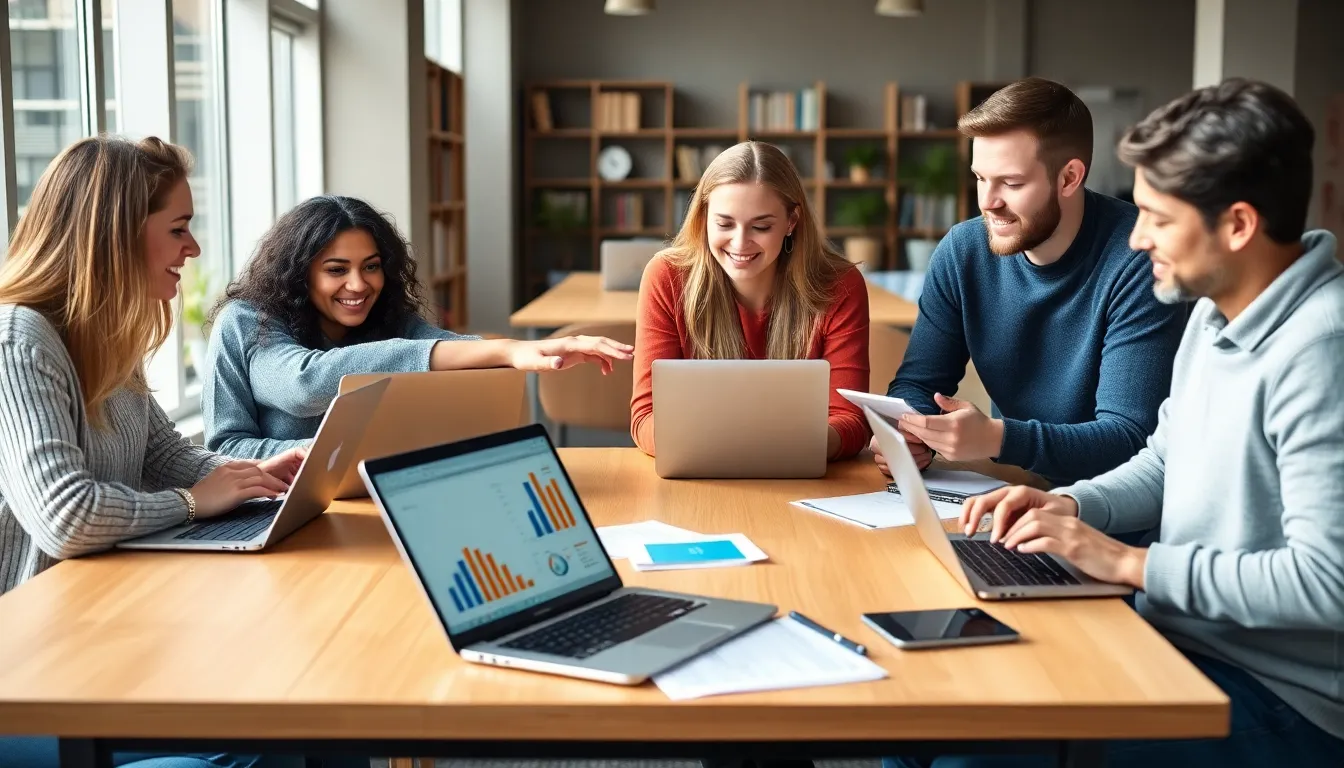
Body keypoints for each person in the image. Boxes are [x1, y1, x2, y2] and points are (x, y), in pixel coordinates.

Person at [897, 79, 1344, 768]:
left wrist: (1128, 562)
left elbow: (1326, 584)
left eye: (1158, 219)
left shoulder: (1321, 349)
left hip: (1278, 694)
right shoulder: (1212, 311)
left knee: (972, 756)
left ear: (1238, 225)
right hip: (1174, 638)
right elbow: (1165, 460)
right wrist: (1069, 505)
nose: (1137, 238)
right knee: (928, 719)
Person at [0, 137, 334, 767]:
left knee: (315, 704)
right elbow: (64, 516)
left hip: (95, 636)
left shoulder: (101, 338)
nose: (193, 249)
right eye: (178, 228)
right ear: (115, 234)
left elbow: (165, 454)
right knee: (266, 741)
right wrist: (190, 502)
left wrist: (252, 475)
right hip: (31, 672)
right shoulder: (19, 340)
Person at [872, 77, 1186, 486]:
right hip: (1014, 491)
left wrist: (997, 438)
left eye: (1012, 183)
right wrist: (912, 431)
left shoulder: (1140, 261)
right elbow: (919, 382)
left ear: (1070, 177)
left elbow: (1129, 439)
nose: (988, 202)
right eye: (981, 178)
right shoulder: (962, 251)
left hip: (1116, 519)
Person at [202, 195, 633, 459]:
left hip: (375, 508)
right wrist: (327, 458)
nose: (358, 285)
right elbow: (302, 386)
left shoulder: (387, 319)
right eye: (337, 270)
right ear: (300, 273)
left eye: (371, 267)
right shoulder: (246, 322)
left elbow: (450, 350)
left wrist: (517, 353)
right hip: (271, 513)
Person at [631, 141, 870, 461]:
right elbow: (646, 416)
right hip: (701, 479)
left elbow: (851, 421)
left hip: (798, 477)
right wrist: (751, 445)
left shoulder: (840, 286)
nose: (740, 243)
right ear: (703, 218)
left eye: (761, 226)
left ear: (791, 222)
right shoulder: (667, 277)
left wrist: (775, 448)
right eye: (724, 224)